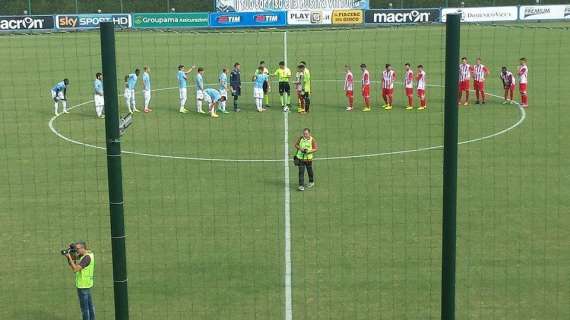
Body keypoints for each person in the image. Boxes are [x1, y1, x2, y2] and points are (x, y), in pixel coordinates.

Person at [64, 241, 95, 320]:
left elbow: (75, 269)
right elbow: (74, 260)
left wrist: (69, 257)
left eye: (77, 249)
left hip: (83, 286)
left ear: (83, 248)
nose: (76, 251)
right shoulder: (89, 254)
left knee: (85, 309)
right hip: (87, 284)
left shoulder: (86, 258)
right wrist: (70, 255)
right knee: (90, 307)